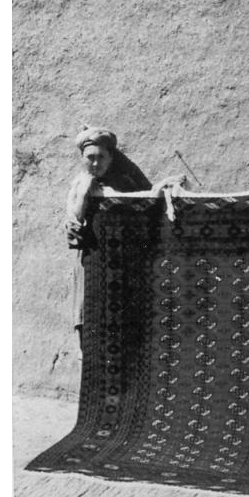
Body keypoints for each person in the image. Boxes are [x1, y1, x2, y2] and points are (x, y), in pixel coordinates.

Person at [66, 125, 184, 351]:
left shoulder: (121, 187)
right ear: (82, 158)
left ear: (111, 158)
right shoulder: (78, 188)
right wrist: (83, 195)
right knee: (89, 326)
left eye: (101, 157)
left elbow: (143, 207)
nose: (95, 163)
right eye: (90, 157)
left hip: (122, 269)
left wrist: (162, 188)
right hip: (90, 267)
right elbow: (73, 234)